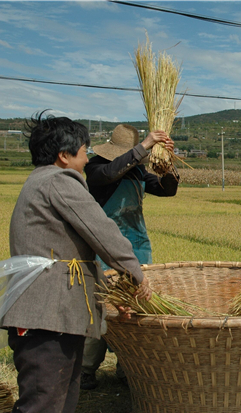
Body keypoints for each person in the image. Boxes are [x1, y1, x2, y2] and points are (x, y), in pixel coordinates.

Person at [2, 111, 151, 413]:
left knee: (60, 407)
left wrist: (114, 290)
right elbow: (101, 230)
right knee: (40, 412)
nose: (86, 160)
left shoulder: (40, 181)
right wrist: (135, 273)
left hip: (56, 317)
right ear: (64, 155)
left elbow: (75, 252)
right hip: (46, 318)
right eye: (84, 152)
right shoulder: (59, 181)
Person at [80, 124, 178, 389]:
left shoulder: (137, 171)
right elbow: (112, 172)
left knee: (137, 306)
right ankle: (87, 369)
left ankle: (127, 367)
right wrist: (145, 145)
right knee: (103, 307)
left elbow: (167, 189)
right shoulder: (96, 167)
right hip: (105, 248)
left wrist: (169, 165)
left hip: (137, 245)